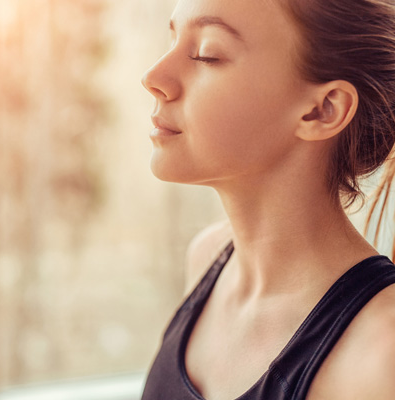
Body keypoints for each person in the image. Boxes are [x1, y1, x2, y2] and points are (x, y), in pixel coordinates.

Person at [139, 0, 395, 398]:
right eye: (171, 38)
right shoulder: (208, 257)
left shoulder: (382, 350)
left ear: (322, 110)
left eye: (207, 54)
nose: (153, 77)